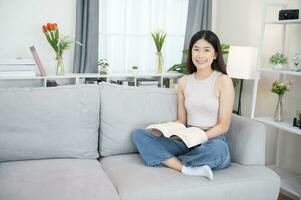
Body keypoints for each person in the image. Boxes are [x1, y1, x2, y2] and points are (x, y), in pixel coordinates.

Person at [131, 30, 235, 180]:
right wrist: (165, 130)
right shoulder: (184, 81)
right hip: (187, 138)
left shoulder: (223, 80)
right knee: (139, 135)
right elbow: (181, 121)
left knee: (218, 151)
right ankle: (186, 168)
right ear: (191, 52)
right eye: (196, 49)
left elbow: (224, 125)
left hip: (211, 139)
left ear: (215, 55)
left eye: (206, 50)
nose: (200, 55)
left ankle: (168, 159)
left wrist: (200, 137)